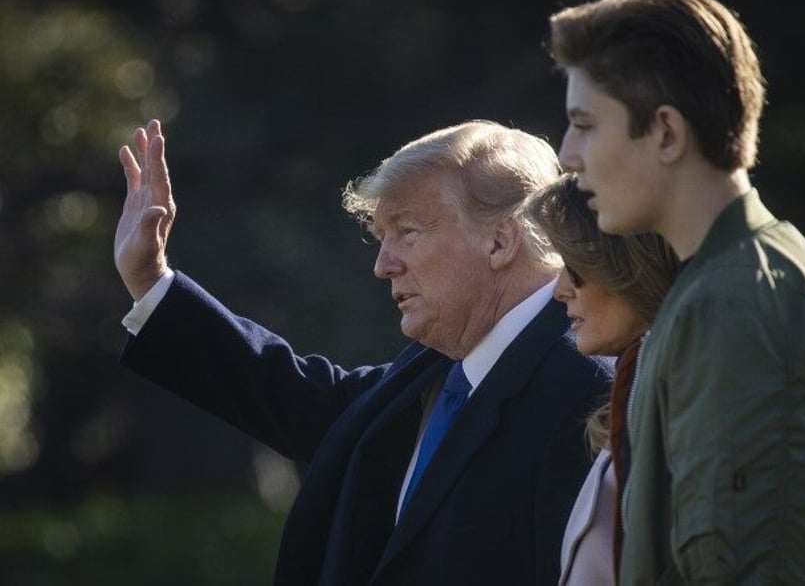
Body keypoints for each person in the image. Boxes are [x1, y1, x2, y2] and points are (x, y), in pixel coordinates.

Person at [114, 118, 613, 586]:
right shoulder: (441, 367)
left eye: (407, 232)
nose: (383, 264)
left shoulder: (588, 389)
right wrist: (151, 282)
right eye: (381, 237)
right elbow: (305, 403)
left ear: (502, 241)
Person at [548, 0, 805, 584]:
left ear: (665, 132)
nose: (568, 153)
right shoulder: (745, 275)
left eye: (585, 124)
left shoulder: (732, 304)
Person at [527, 175, 678, 584]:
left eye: (574, 265)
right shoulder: (643, 386)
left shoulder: (681, 396)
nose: (560, 290)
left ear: (625, 264)